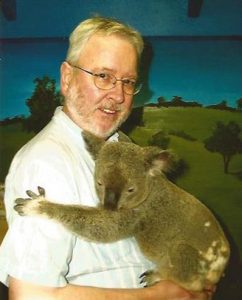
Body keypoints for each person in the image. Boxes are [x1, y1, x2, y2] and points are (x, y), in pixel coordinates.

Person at [0, 17, 214, 300]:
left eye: (128, 82)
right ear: (67, 78)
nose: (118, 94)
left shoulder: (118, 145)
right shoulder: (47, 163)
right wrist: (162, 295)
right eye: (103, 76)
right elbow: (31, 295)